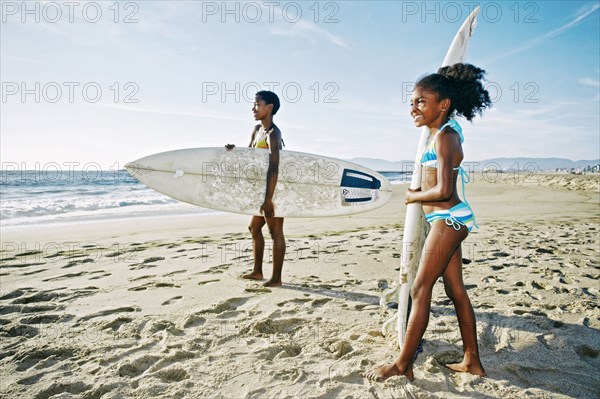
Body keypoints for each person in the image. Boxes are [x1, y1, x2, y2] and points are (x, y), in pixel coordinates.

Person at [366, 63, 492, 382]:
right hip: (447, 219)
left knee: (421, 289)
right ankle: (472, 361)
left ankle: (403, 365)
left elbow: (445, 189)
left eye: (421, 101)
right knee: (455, 289)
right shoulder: (439, 134)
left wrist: (413, 196)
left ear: (443, 104)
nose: (413, 108)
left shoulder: (447, 137)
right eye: (411, 102)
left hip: (448, 220)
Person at [226, 90, 286, 287]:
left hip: (273, 190)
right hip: (261, 191)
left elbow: (274, 166)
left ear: (269, 107)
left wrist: (269, 199)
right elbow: (251, 158)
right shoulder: (256, 130)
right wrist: (234, 152)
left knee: (275, 232)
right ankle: (257, 272)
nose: (253, 108)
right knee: (254, 228)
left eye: (257, 104)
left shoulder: (273, 134)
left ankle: (276, 278)